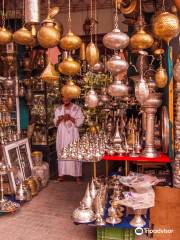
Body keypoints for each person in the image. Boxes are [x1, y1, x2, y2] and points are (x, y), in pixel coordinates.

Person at [54, 97, 84, 182]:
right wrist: (59, 119)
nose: (65, 99)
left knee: (75, 151)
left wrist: (71, 118)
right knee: (62, 151)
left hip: (73, 135)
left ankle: (77, 175)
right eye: (63, 97)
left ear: (71, 97)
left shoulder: (77, 108)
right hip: (62, 135)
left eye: (67, 97)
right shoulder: (59, 109)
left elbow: (80, 122)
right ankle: (61, 174)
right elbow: (55, 123)